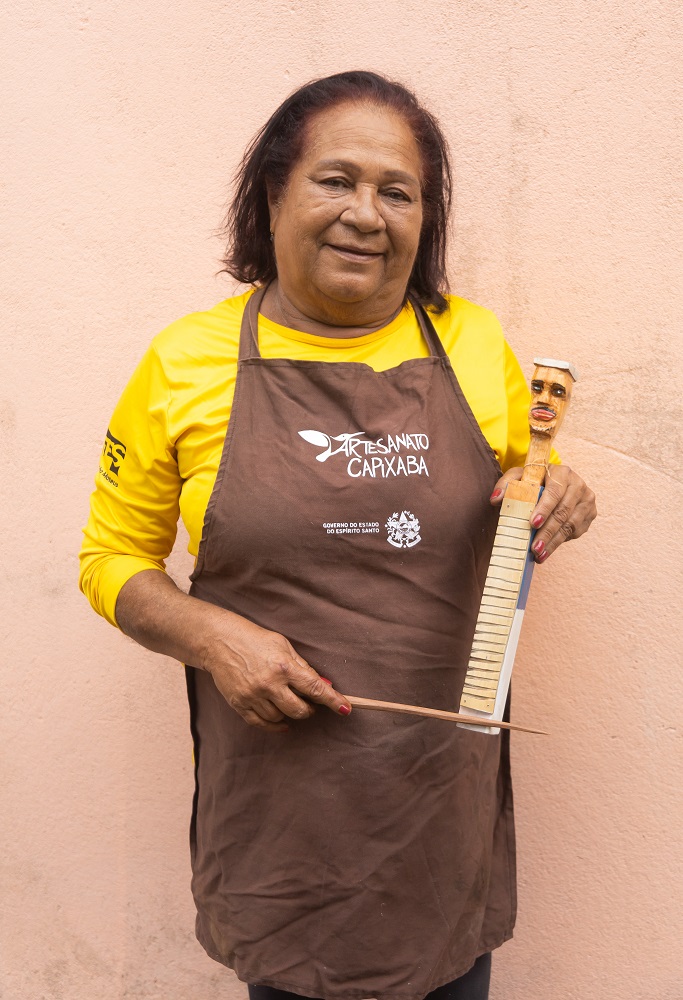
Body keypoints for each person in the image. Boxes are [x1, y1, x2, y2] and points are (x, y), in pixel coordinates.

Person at [79, 71, 597, 1000]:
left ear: (423, 222)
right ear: (273, 194)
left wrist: (558, 495)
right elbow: (109, 559)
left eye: (398, 192)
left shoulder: (475, 347)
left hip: (438, 817)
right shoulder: (183, 363)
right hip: (281, 827)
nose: (367, 213)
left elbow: (531, 486)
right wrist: (212, 636)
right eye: (335, 180)